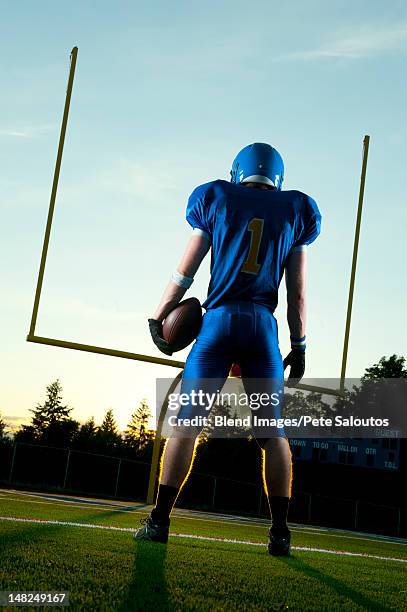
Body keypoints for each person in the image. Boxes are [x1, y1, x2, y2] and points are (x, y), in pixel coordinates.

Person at [135, 143, 321, 555]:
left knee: (187, 423)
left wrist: (159, 315)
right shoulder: (297, 210)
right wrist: (300, 345)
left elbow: (184, 273)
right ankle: (280, 533)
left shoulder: (216, 198)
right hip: (262, 327)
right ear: (279, 178)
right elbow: (298, 295)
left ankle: (159, 521)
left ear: (237, 172)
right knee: (272, 434)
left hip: (218, 320)